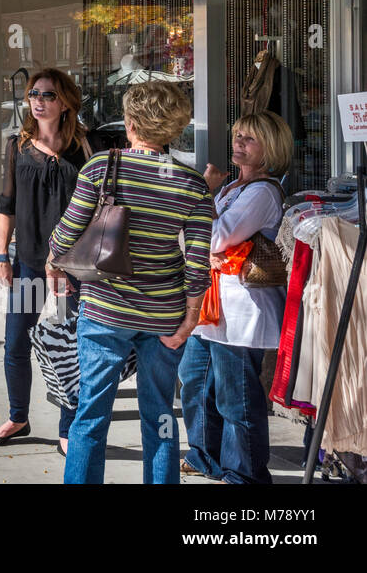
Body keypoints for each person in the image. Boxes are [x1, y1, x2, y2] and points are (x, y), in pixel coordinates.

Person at [48, 81, 212, 484]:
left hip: (107, 309)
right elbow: (197, 265)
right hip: (165, 315)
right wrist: (190, 319)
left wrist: (54, 261)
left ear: (132, 122)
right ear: (174, 128)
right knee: (161, 415)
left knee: (91, 413)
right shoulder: (193, 186)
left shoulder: (102, 167)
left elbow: (64, 237)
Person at [0, 68, 94, 455]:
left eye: (47, 95)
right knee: (16, 343)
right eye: (33, 94)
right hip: (29, 262)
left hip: (74, 267)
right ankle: (19, 416)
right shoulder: (17, 146)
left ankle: (67, 427)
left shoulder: (84, 147)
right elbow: (6, 205)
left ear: (64, 102)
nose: (38, 101)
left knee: (69, 349)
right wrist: (1, 254)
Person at [179, 111, 292, 484]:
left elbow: (212, 238)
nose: (238, 143)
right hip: (211, 306)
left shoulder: (262, 191)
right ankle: (204, 456)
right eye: (238, 136)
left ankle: (243, 473)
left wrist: (201, 198)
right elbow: (200, 240)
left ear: (269, 148)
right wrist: (207, 229)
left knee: (236, 398)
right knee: (195, 382)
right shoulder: (230, 189)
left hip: (241, 312)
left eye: (250, 139)